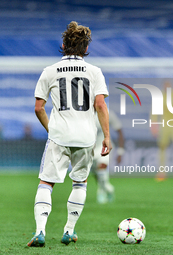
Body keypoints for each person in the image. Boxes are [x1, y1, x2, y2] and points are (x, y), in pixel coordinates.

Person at [27, 21, 111, 248]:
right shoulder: (95, 72)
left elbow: (38, 107)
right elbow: (100, 105)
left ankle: (39, 232)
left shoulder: (49, 71)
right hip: (85, 137)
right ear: (85, 49)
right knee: (80, 182)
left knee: (46, 183)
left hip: (59, 136)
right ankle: (69, 230)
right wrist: (107, 136)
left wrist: (51, 129)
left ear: (63, 44)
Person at [94, 110, 124, 204]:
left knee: (101, 167)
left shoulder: (108, 113)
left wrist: (120, 151)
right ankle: (109, 189)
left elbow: (119, 132)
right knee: (98, 176)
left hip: (104, 146)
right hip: (89, 149)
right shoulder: (85, 113)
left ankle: (101, 193)